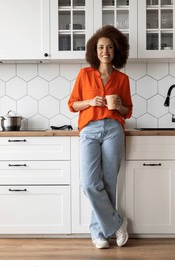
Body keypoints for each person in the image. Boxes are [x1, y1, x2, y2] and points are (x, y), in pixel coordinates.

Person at [68, 25, 133, 249]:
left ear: (116, 51)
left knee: (108, 183)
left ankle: (99, 234)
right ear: (94, 51)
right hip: (89, 129)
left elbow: (128, 111)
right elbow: (72, 104)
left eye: (110, 47)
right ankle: (117, 224)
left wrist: (119, 106)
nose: (105, 51)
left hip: (114, 129)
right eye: (101, 47)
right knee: (88, 183)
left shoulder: (122, 79)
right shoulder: (84, 74)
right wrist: (89, 102)